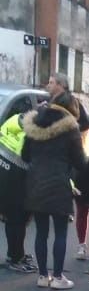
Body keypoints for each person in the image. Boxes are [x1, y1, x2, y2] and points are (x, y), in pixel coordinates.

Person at [22, 93, 85, 289]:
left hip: (35, 183)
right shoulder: (71, 129)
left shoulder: (33, 124)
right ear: (72, 110)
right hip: (59, 185)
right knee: (60, 232)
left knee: (41, 232)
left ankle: (42, 276)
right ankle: (58, 277)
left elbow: (24, 155)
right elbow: (80, 162)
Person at [0, 105, 37, 272]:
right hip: (16, 177)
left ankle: (16, 255)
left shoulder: (15, 119)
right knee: (18, 219)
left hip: (3, 171)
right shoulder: (34, 134)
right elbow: (29, 159)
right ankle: (15, 258)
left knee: (12, 218)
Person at [47, 71, 89, 143]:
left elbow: (84, 124)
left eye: (51, 83)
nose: (48, 85)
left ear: (61, 85)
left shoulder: (70, 102)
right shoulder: (51, 100)